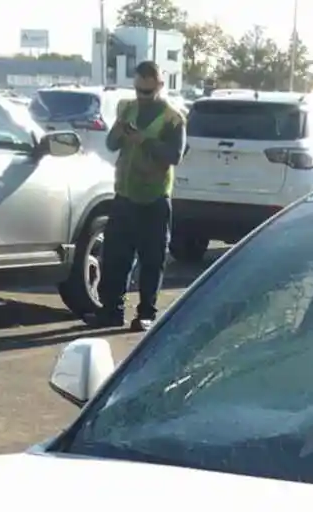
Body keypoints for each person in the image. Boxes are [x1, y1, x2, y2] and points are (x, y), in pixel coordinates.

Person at [94, 61, 187, 332]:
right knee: (115, 258)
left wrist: (144, 141)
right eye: (138, 90)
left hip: (154, 198)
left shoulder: (173, 117)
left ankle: (146, 312)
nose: (142, 96)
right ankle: (112, 310)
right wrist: (121, 129)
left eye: (147, 91)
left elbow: (174, 155)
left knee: (152, 259)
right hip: (124, 194)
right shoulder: (127, 109)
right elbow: (111, 144)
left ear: (160, 86)